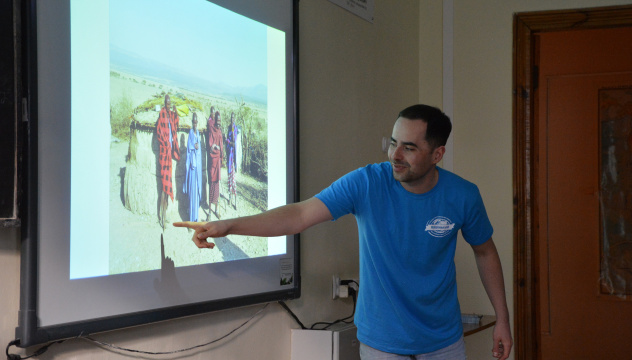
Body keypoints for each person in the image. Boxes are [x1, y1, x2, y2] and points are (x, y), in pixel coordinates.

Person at [174, 104, 513, 360]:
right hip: (381, 344)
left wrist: (502, 319)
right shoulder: (367, 182)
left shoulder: (462, 195)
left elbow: (485, 251)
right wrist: (230, 225)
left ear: (437, 154)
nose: (395, 155)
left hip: (444, 343)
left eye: (409, 147)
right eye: (393, 143)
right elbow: (299, 215)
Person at [156, 94, 180, 230]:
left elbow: (176, 121)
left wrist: (176, 111)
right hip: (164, 155)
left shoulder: (170, 115)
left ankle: (163, 217)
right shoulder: (162, 115)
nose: (169, 104)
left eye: (170, 102)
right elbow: (160, 132)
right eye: (167, 102)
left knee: (167, 184)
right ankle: (162, 216)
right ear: (164, 103)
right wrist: (166, 144)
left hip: (169, 155)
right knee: (164, 189)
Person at [184, 113, 203, 222]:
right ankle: (190, 220)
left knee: (196, 195)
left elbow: (199, 150)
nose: (195, 124)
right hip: (192, 169)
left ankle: (195, 218)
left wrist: (197, 148)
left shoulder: (199, 134)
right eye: (193, 122)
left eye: (196, 122)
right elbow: (188, 150)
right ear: (192, 122)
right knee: (192, 194)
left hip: (197, 171)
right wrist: (193, 147)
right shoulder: (191, 133)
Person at [206, 109, 223, 220]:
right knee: (212, 185)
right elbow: (211, 147)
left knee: (217, 186)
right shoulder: (211, 131)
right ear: (214, 120)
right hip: (213, 163)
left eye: (220, 121)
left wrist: (219, 148)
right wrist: (215, 147)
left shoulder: (220, 132)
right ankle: (210, 213)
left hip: (218, 164)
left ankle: (216, 209)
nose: (218, 122)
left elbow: (221, 148)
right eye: (217, 120)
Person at [226, 112, 238, 209]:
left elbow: (235, 141)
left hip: (233, 157)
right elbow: (227, 139)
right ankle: (229, 198)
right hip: (229, 155)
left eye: (233, 118)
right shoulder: (229, 128)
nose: (232, 119)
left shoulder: (235, 128)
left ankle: (235, 200)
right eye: (231, 118)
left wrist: (233, 142)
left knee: (234, 180)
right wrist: (229, 143)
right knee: (229, 178)